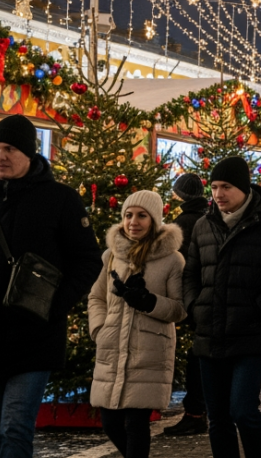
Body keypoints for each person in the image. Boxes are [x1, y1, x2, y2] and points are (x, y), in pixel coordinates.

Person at [0, 114, 102, 458]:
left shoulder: (61, 200)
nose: (0, 156)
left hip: (34, 336)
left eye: (9, 148)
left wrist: (54, 305)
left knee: (14, 429)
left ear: (30, 153)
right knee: (3, 434)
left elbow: (88, 261)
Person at [183, 156, 261, 458]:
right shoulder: (203, 226)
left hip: (249, 335)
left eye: (226, 187)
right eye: (213, 187)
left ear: (244, 188)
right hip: (209, 335)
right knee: (218, 419)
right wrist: (194, 307)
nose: (218, 194)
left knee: (243, 411)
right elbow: (190, 274)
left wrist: (255, 308)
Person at [90, 191, 188, 458]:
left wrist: (148, 302)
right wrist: (100, 329)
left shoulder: (172, 260)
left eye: (142, 216)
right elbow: (96, 296)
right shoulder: (112, 255)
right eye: (128, 215)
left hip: (149, 350)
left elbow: (179, 309)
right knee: (110, 423)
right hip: (111, 348)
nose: (133, 222)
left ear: (154, 220)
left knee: (135, 424)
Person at [165, 173, 211, 437]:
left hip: (191, 300)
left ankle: (195, 413)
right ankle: (202, 410)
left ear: (180, 195)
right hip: (206, 298)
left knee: (196, 357)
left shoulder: (182, 224)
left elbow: (177, 265)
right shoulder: (209, 217)